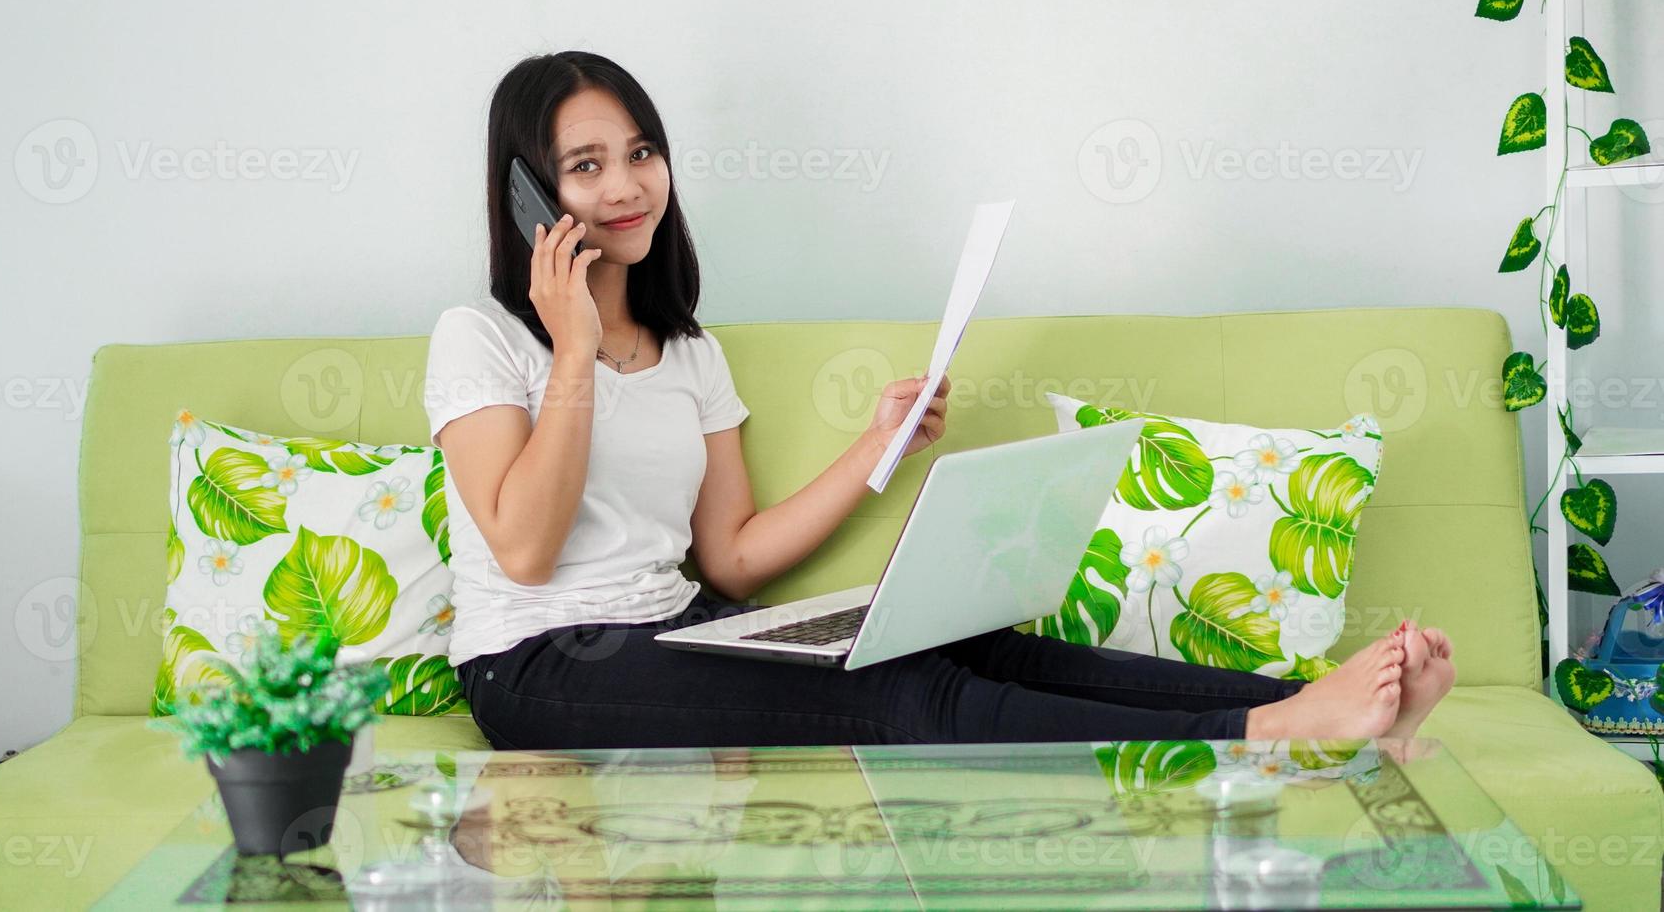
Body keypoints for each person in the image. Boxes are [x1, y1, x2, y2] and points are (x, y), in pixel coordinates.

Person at [424, 50, 1457, 753]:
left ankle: (1298, 702)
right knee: (899, 696)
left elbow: (730, 555)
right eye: (585, 166)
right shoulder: (480, 338)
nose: (626, 185)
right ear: (527, 194)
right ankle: (1259, 736)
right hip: (538, 663)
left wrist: (876, 446)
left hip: (683, 622)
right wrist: (570, 348)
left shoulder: (690, 351)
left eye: (640, 153)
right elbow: (522, 547)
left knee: (958, 639)